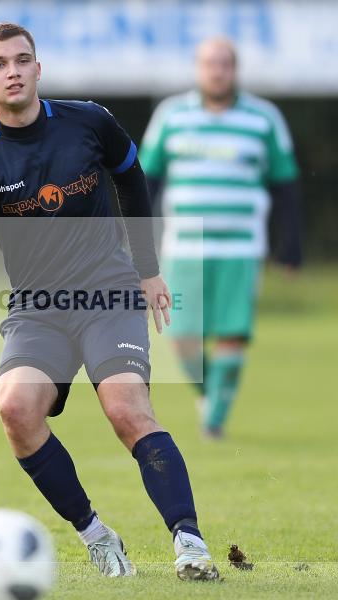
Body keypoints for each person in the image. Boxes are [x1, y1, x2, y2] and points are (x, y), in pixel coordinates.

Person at [0, 23, 219, 581]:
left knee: (125, 409)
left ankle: (190, 543)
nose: (13, 71)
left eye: (23, 60)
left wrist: (147, 270)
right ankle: (96, 535)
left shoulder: (89, 122)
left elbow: (132, 180)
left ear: (39, 69)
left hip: (108, 293)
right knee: (15, 408)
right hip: (37, 308)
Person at [139, 37, 302, 439]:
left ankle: (214, 422)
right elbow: (146, 179)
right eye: (210, 63)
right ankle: (210, 394)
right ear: (198, 69)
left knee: (232, 334)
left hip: (241, 247)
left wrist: (291, 247)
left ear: (235, 69)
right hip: (184, 247)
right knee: (181, 338)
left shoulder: (263, 119)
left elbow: (286, 184)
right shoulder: (171, 115)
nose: (217, 71)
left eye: (225, 63)